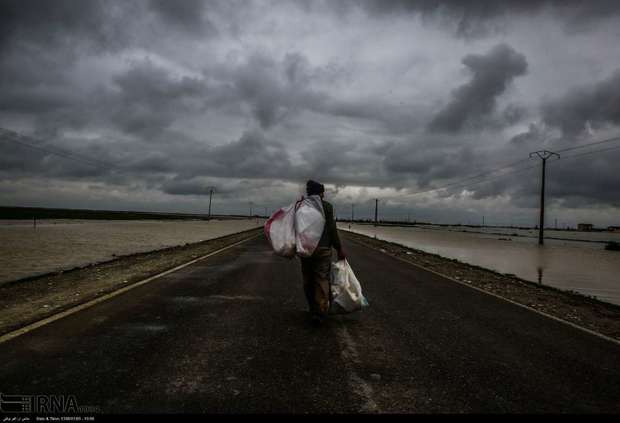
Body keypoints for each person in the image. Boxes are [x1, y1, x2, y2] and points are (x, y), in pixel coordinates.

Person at [300, 180, 346, 325]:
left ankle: (312, 308)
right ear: (320, 193)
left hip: (306, 249)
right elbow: (332, 229)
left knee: (308, 278)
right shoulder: (326, 207)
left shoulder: (301, 205)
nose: (324, 195)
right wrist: (339, 248)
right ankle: (319, 312)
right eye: (322, 192)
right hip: (323, 249)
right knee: (321, 279)